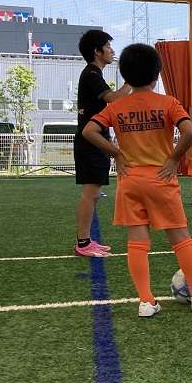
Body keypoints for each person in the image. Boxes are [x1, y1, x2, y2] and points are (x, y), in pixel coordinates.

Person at [81, 44, 192, 316]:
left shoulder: (117, 106)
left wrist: (117, 154)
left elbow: (89, 131)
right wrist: (174, 159)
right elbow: (189, 132)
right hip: (160, 178)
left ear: (125, 76)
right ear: (157, 75)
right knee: (180, 238)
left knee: (137, 241)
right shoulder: (168, 103)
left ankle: (146, 301)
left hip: (130, 180)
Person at [73, 29, 130, 257]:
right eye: (107, 46)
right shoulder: (91, 74)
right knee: (90, 194)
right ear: (97, 51)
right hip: (90, 140)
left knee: (94, 194)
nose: (112, 50)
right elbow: (114, 99)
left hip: (95, 140)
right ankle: (83, 243)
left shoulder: (94, 74)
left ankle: (86, 240)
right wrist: (132, 80)